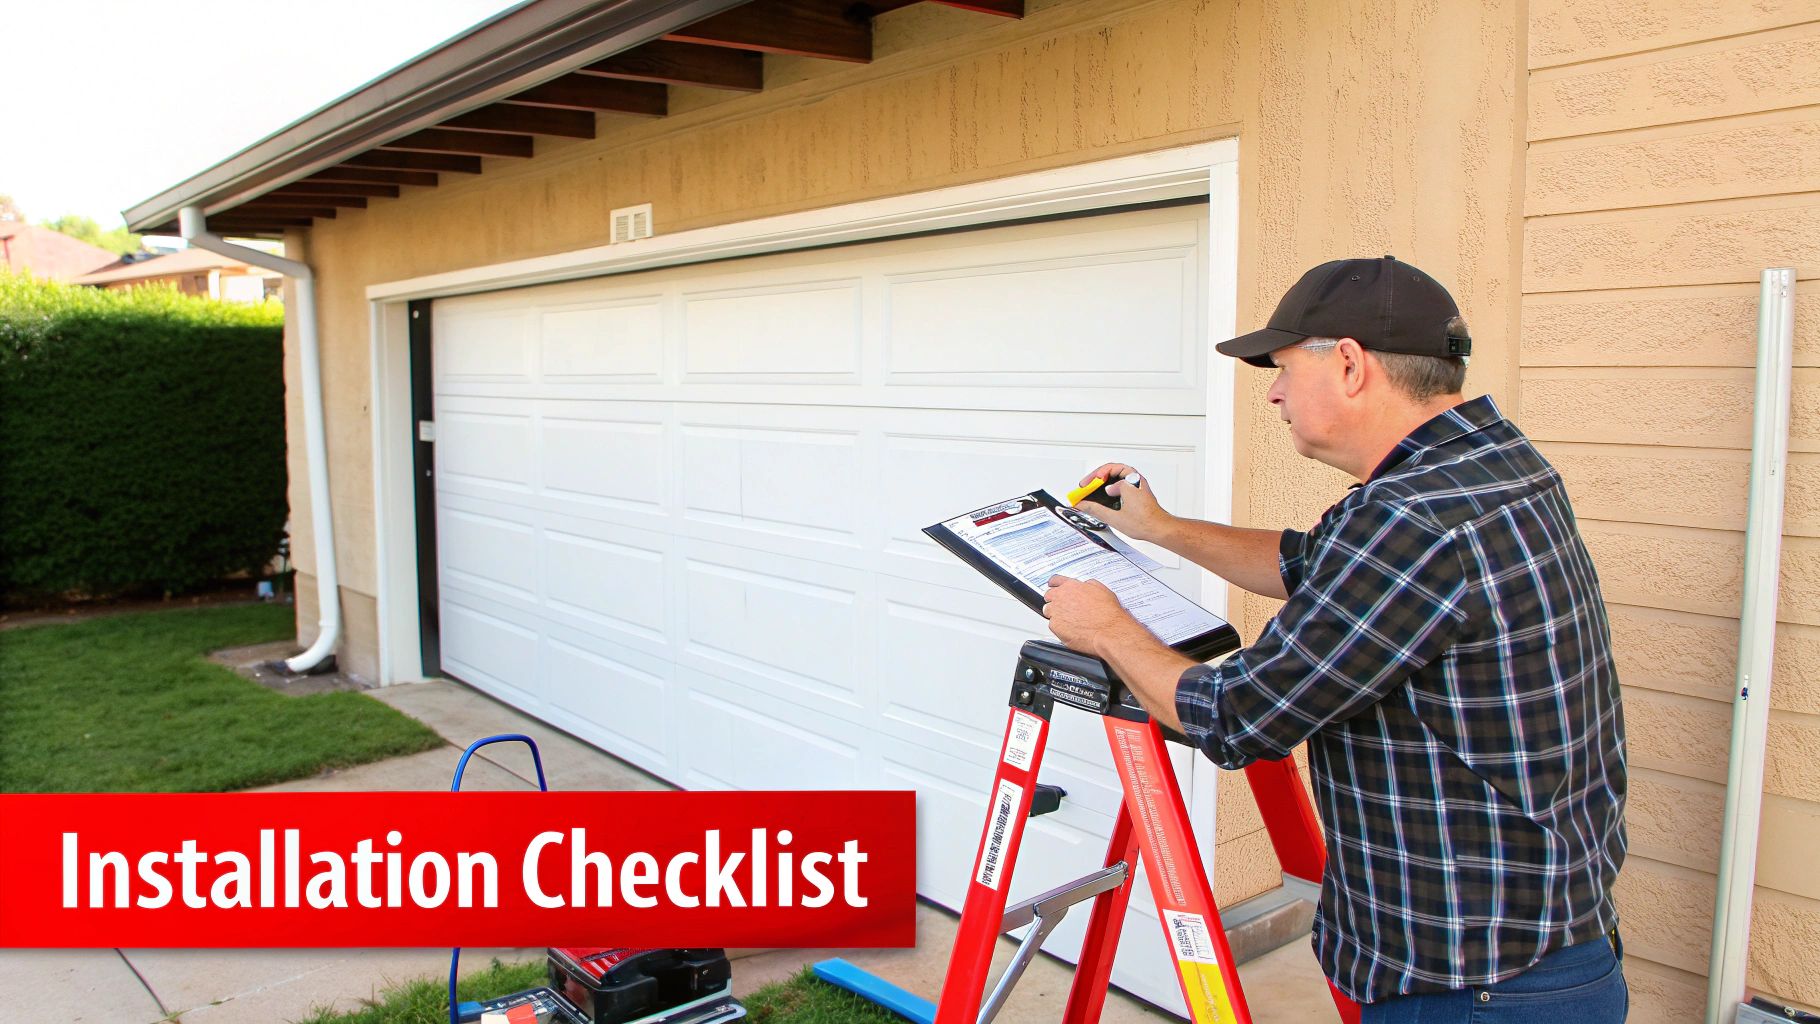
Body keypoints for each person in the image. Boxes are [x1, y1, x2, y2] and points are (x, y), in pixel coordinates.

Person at [1041, 256, 1628, 1022]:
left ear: (1349, 364)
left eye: (1283, 370)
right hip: (1548, 937)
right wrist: (1162, 529)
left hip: (1472, 984)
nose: (1277, 394)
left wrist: (1107, 628)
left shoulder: (1412, 519)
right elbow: (1314, 565)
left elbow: (1238, 714)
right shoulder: (1485, 467)